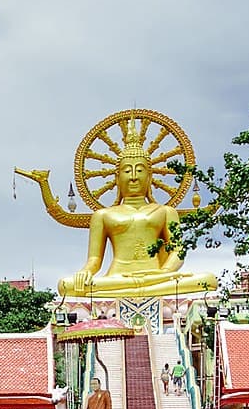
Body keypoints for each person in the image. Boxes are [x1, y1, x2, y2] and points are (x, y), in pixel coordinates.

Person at [55, 120, 219, 299]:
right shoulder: (102, 215)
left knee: (208, 280)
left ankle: (143, 287)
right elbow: (94, 260)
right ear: (117, 177)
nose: (133, 177)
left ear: (150, 176)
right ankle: (139, 288)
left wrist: (163, 272)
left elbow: (178, 250)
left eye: (140, 171)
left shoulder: (165, 212)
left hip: (158, 277)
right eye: (127, 171)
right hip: (117, 279)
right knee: (65, 285)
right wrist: (85, 273)